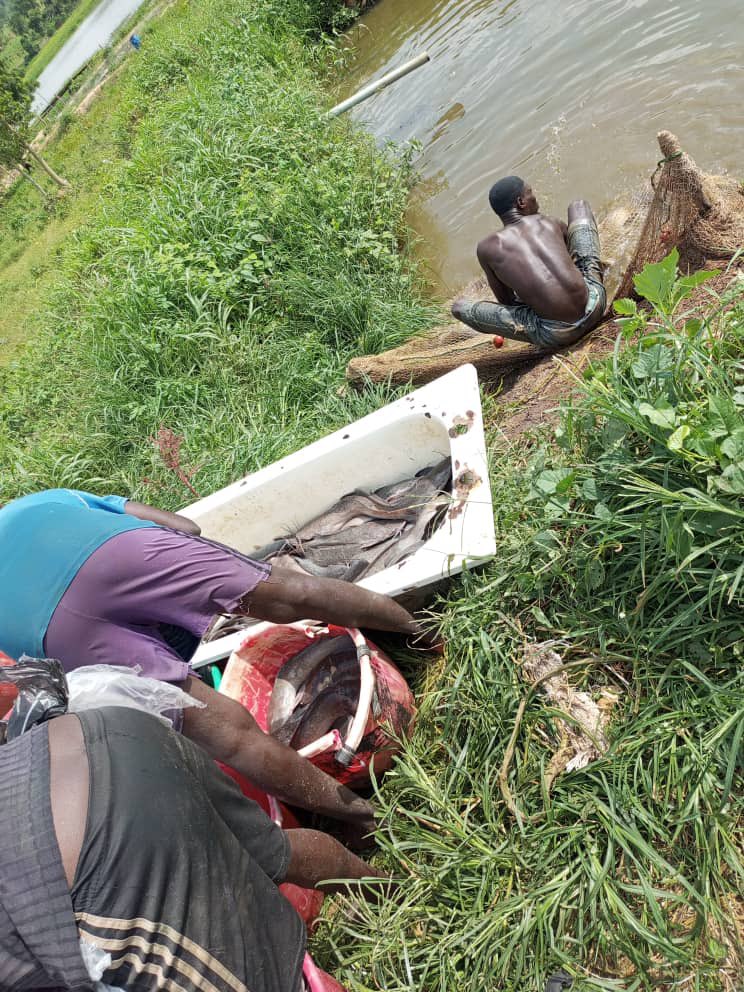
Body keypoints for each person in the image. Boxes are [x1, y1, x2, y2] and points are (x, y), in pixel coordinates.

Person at [0, 488, 429, 833]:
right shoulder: (37, 501)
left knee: (231, 738)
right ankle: (426, 635)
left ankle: (372, 820)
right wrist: (223, 579)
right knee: (292, 593)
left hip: (61, 634)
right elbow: (184, 525)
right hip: (120, 552)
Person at [0, 704, 386, 991]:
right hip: (101, 732)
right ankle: (396, 888)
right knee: (273, 849)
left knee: (264, 980)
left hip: (95, 856)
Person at [451, 176, 606, 351]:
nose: (535, 197)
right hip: (595, 305)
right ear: (521, 202)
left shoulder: (487, 248)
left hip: (556, 333)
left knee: (458, 307)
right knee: (579, 206)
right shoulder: (548, 221)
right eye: (530, 192)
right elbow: (572, 259)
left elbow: (508, 302)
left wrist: (537, 298)